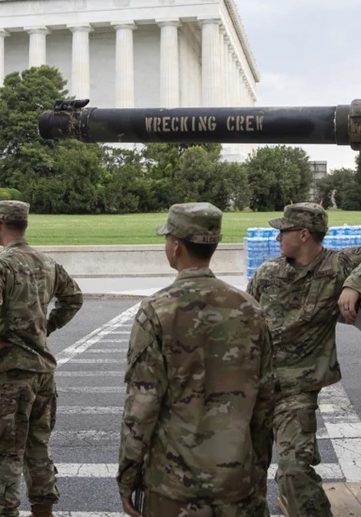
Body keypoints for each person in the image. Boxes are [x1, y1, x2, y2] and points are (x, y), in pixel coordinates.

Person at [117, 202, 278, 517]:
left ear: (176, 246)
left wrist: (128, 475)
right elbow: (266, 401)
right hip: (236, 481)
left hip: (173, 487)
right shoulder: (250, 309)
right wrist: (256, 472)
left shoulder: (156, 311)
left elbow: (141, 406)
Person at [246, 203, 361, 517]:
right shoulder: (268, 272)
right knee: (245, 473)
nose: (277, 238)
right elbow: (244, 320)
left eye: (284, 231)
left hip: (296, 389)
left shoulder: (338, 265)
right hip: (255, 386)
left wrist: (354, 284)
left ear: (304, 234)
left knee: (294, 470)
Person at [0, 200, 85, 517]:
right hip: (42, 372)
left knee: (1, 453)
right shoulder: (47, 263)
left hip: (12, 372)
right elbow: (73, 298)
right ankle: (43, 510)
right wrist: (46, 326)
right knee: (38, 447)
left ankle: (4, 511)